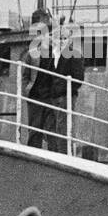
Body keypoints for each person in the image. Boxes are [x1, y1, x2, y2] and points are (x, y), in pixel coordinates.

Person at [21, 12, 84, 152]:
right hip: (36, 97)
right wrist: (26, 91)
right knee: (34, 130)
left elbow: (71, 76)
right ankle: (33, 155)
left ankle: (54, 155)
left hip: (51, 97)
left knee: (53, 132)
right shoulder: (34, 54)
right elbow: (25, 74)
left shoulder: (57, 53)